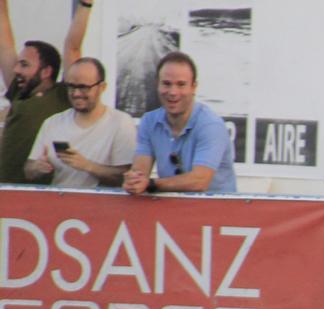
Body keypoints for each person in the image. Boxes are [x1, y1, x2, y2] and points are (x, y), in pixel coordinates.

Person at [0, 0, 92, 183]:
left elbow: (72, 47)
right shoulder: (19, 92)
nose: (16, 70)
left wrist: (85, 6)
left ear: (46, 72)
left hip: (36, 195)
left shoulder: (62, 96)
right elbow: (4, 41)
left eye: (24, 64)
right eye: (18, 63)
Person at [123, 51, 237, 195]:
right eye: (166, 84)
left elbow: (199, 182)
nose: (173, 92)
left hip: (217, 211)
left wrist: (151, 184)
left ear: (193, 87)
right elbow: (139, 172)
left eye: (181, 85)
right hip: (173, 210)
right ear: (157, 85)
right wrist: (134, 181)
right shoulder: (149, 121)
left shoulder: (211, 125)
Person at [24, 57, 135, 187]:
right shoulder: (52, 123)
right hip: (60, 201)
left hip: (103, 204)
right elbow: (28, 170)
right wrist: (37, 168)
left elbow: (126, 176)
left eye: (83, 87)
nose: (76, 93)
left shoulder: (120, 122)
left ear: (102, 87)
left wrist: (87, 166)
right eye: (71, 86)